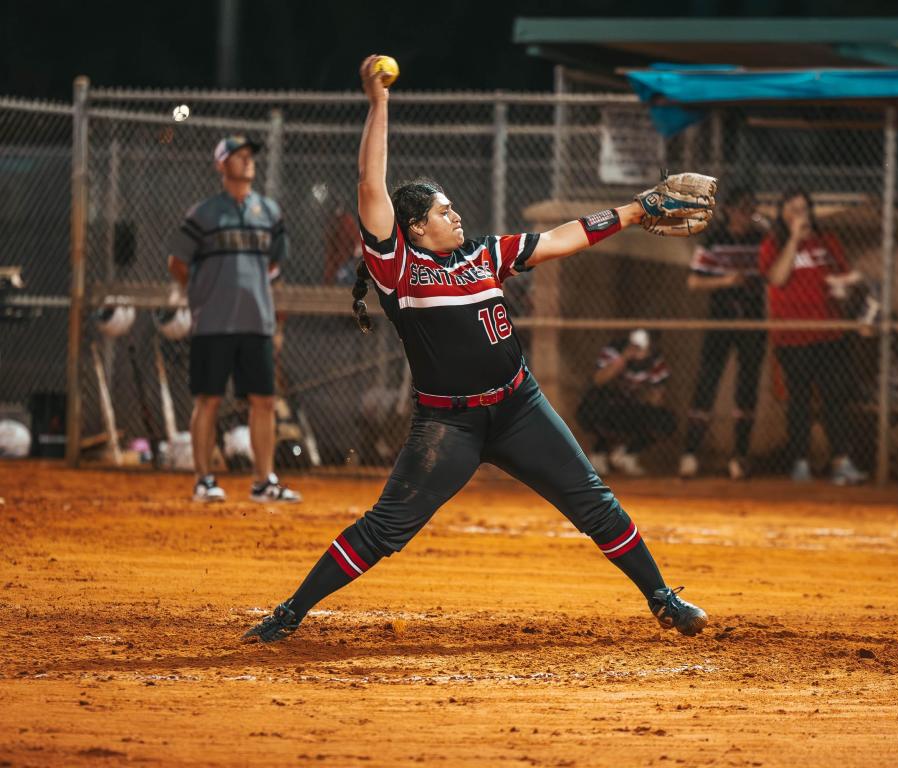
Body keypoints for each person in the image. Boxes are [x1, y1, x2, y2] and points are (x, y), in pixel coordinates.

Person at [242, 55, 712, 643]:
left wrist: (636, 209)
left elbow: (562, 237)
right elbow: (369, 185)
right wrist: (379, 101)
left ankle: (663, 599)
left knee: (594, 502)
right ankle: (291, 610)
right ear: (413, 228)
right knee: (387, 529)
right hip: (449, 424)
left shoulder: (484, 254)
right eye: (442, 211)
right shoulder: (398, 267)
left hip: (519, 407)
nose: (455, 213)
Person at [168, 135, 301, 504]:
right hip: (212, 323)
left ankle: (263, 482)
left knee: (265, 401)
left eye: (250, 157)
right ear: (221, 165)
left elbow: (274, 262)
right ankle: (203, 480)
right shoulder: (203, 213)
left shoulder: (270, 212)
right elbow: (177, 263)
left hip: (256, 321)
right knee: (207, 400)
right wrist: (202, 294)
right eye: (238, 157)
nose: (247, 162)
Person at [758, 189, 867, 485]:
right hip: (793, 337)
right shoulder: (774, 244)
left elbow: (842, 275)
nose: (800, 215)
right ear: (782, 214)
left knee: (835, 398)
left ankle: (841, 462)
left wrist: (844, 285)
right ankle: (800, 462)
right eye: (793, 209)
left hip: (829, 332)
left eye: (804, 209)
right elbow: (777, 278)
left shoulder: (826, 241)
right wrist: (794, 238)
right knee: (800, 401)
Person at [678, 187, 766, 481]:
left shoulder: (760, 239)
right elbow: (694, 282)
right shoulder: (715, 238)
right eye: (741, 209)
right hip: (721, 317)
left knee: (747, 385)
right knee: (707, 379)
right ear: (728, 210)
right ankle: (690, 452)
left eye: (750, 210)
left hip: (752, 319)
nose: (746, 215)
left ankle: (739, 456)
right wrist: (727, 280)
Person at [577, 329, 676, 476]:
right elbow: (598, 380)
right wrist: (624, 358)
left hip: (633, 405)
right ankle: (599, 452)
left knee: (665, 420)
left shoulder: (654, 358)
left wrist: (645, 390)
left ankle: (627, 454)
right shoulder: (614, 350)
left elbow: (657, 398)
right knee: (595, 405)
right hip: (610, 405)